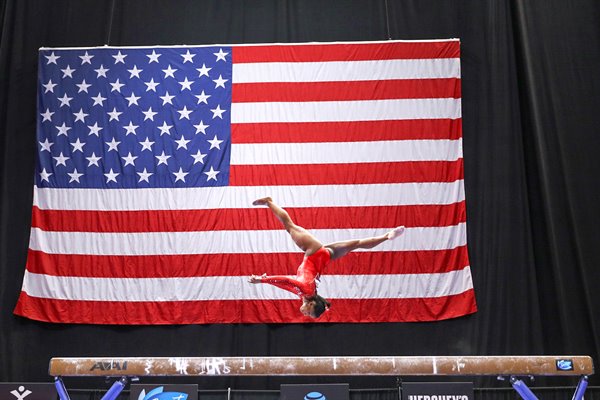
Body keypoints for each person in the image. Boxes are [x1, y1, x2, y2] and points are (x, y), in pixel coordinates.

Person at [248, 197, 405, 319]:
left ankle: (387, 236)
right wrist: (263, 280)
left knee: (356, 244)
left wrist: (266, 279)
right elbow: (287, 281)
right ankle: (269, 201)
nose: (305, 315)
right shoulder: (306, 290)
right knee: (290, 226)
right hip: (314, 251)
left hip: (326, 256)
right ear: (312, 304)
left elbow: (285, 285)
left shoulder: (304, 293)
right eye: (309, 313)